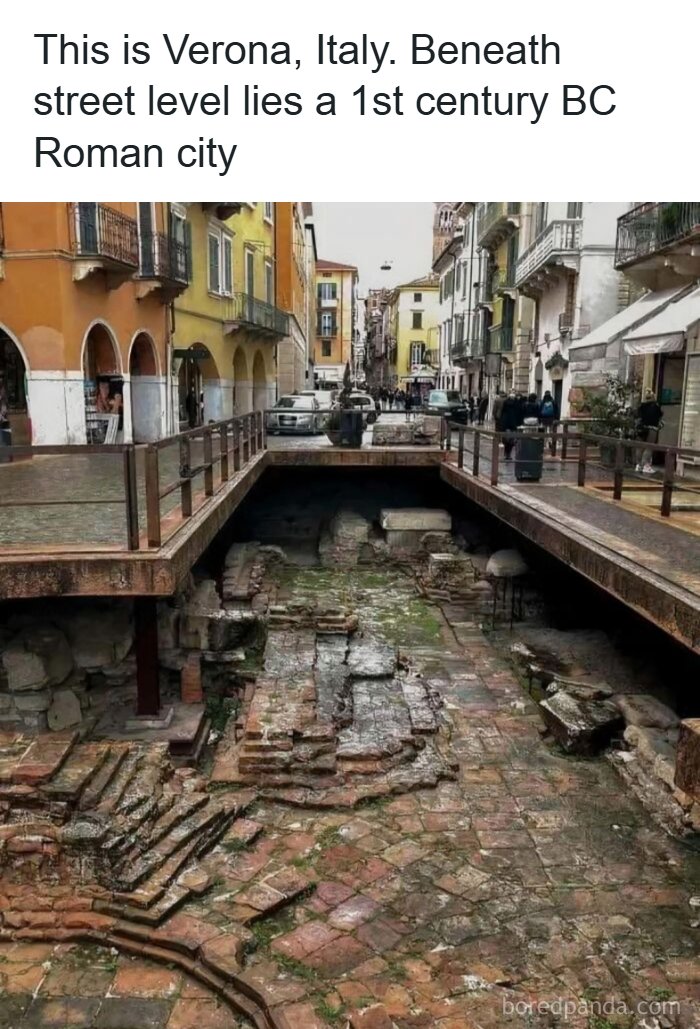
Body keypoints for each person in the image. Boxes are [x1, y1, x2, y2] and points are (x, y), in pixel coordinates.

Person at [636, 388, 663, 473]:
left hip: (641, 428)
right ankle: (646, 465)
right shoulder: (656, 407)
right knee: (649, 447)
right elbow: (659, 417)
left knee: (640, 447)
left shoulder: (641, 406)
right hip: (652, 429)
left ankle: (638, 465)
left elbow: (638, 417)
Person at [500, 390, 521, 459]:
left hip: (506, 424)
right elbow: (518, 414)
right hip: (513, 424)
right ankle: (508, 454)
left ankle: (506, 453)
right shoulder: (517, 403)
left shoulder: (505, 402)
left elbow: (502, 413)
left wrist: (501, 423)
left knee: (506, 440)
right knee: (512, 440)